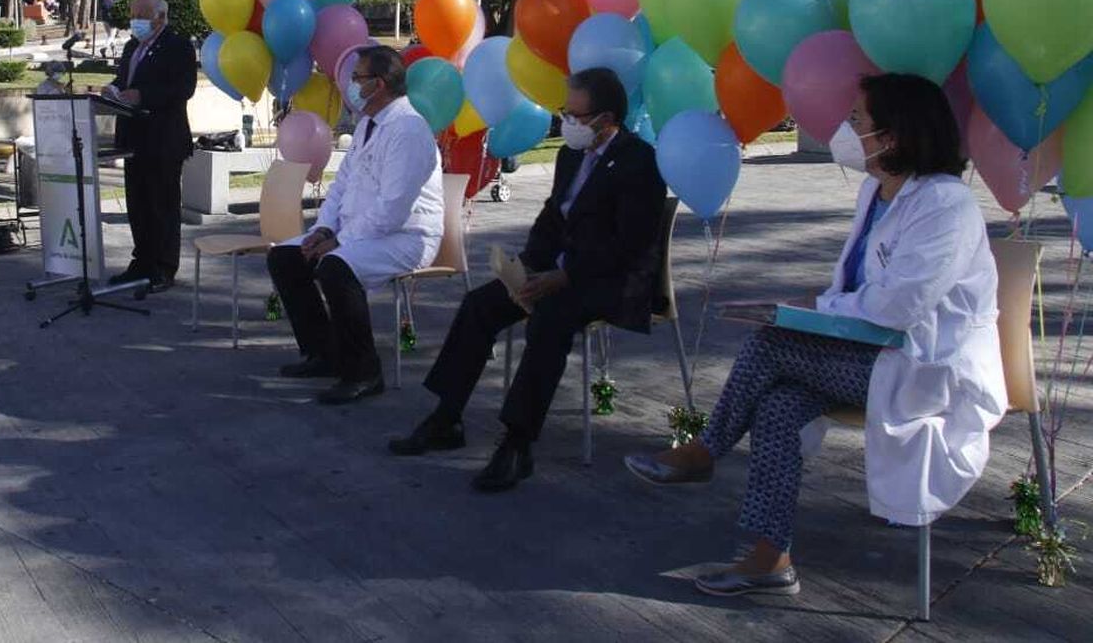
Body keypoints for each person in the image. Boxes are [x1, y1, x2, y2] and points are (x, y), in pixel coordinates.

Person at [624, 73, 1005, 599]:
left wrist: (818, 309)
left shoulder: (945, 205)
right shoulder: (876, 192)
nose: (846, 130)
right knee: (779, 404)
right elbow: (860, 287)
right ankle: (769, 558)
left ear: (891, 137)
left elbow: (900, 306)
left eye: (857, 122)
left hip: (923, 367)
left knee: (772, 342)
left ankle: (706, 450)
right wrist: (815, 307)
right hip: (868, 356)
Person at [388, 68, 666, 492]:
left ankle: (517, 444)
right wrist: (527, 266)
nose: (567, 123)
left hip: (606, 279)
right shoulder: (571, 155)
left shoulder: (638, 160)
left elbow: (628, 244)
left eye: (575, 115)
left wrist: (564, 276)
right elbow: (554, 217)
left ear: (606, 119)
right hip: (553, 272)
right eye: (564, 112)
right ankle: (446, 417)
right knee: (480, 304)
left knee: (550, 319)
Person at [267, 46, 443, 404]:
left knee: (335, 268)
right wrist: (323, 230)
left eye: (357, 77)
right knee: (286, 258)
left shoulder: (408, 129)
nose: (349, 84)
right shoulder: (366, 124)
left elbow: (393, 208)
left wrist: (340, 242)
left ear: (377, 85)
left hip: (406, 237)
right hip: (359, 234)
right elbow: (341, 186)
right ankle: (324, 354)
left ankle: (364, 371)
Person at [105, 0, 196, 293]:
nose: (135, 21)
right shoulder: (133, 46)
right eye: (133, 15)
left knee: (162, 205)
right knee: (139, 205)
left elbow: (183, 88)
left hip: (163, 139)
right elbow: (123, 81)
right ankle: (141, 262)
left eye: (140, 15)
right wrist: (112, 90)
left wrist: (143, 95)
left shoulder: (178, 46)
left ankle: (164, 267)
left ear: (159, 17)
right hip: (134, 139)